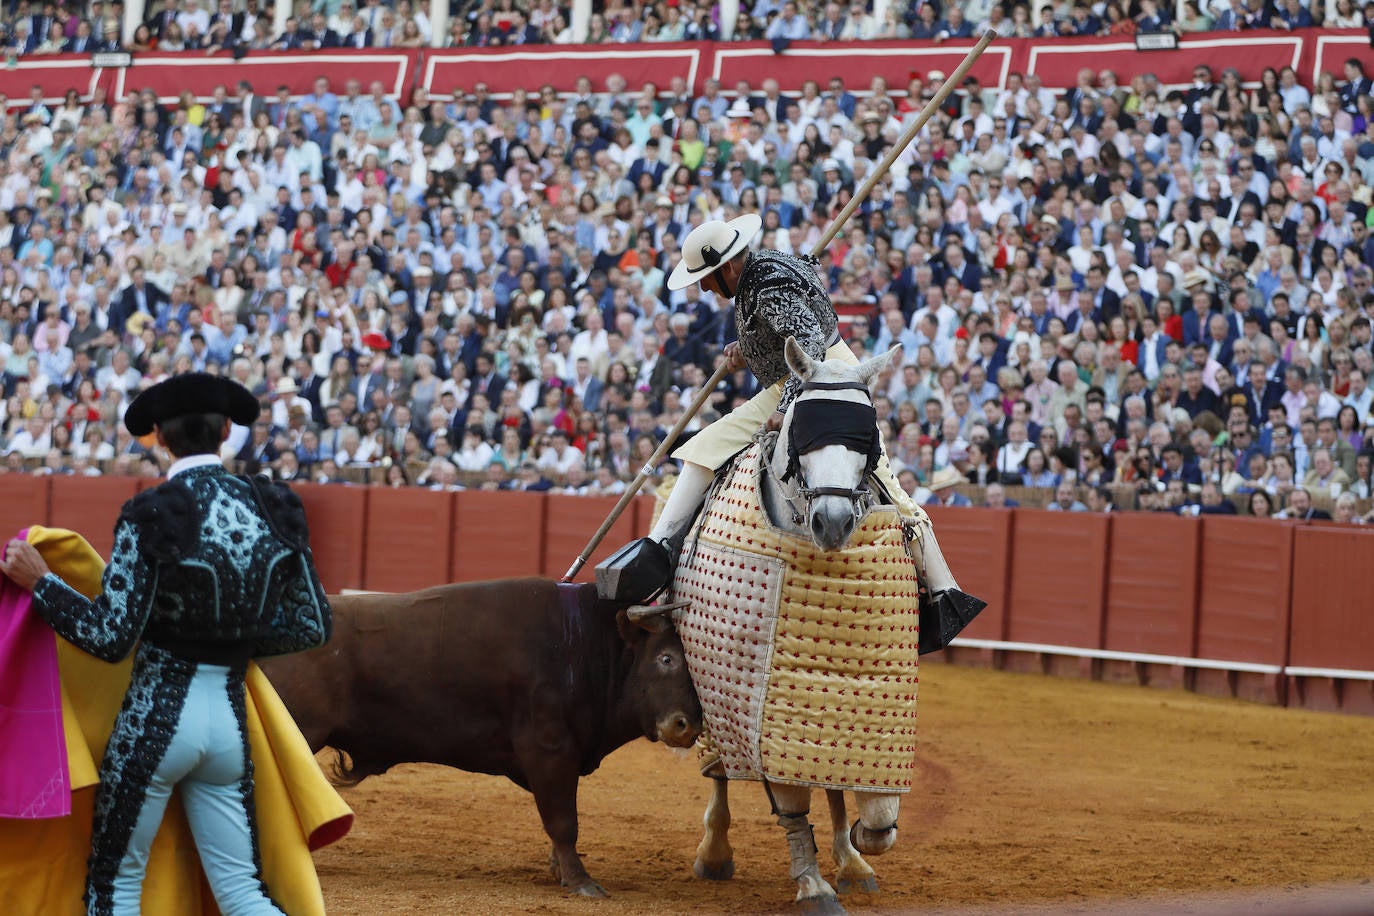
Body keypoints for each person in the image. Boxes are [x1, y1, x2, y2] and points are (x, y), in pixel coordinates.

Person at [0, 373, 331, 914]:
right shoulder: (275, 505)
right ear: (225, 430)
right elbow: (310, 626)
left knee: (114, 886)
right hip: (229, 723)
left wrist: (43, 584)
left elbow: (110, 637)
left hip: (155, 721)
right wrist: (230, 636)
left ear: (156, 436)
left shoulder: (152, 512)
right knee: (242, 891)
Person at [601, 215, 968, 605]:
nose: (705, 287)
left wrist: (786, 402)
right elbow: (786, 329)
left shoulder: (768, 283)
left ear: (728, 267)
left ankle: (944, 591)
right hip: (797, 378)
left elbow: (809, 342)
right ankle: (660, 551)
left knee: (885, 481)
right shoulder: (759, 271)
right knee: (704, 448)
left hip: (829, 381)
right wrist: (750, 349)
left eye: (707, 277)